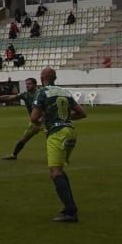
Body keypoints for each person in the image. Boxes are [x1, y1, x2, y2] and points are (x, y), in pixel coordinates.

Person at [31, 67, 85, 222]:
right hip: (70, 131)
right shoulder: (65, 92)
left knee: (55, 172)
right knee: (60, 169)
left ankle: (71, 212)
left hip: (57, 133)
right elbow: (82, 113)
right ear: (55, 78)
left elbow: (34, 117)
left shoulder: (42, 92)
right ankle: (69, 206)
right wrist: (66, 118)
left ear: (42, 78)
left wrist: (42, 122)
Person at [0, 77, 42, 159]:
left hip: (45, 120)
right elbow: (10, 97)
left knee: (53, 138)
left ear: (35, 85)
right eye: (26, 84)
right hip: (34, 122)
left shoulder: (41, 94)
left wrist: (42, 119)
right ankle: (14, 155)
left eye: (29, 84)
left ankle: (61, 157)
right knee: (24, 138)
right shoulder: (25, 94)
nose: (27, 86)